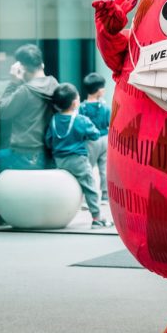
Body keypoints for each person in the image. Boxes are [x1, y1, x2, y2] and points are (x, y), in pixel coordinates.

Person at [46, 83, 111, 228]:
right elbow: (94, 135)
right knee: (89, 186)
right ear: (75, 103)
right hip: (78, 160)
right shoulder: (80, 120)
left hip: (59, 161)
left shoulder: (54, 120)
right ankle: (97, 218)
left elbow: (48, 140)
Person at [0, 44, 58, 170]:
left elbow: (2, 112)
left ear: (21, 68)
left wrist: (13, 82)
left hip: (23, 154)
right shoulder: (55, 85)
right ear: (42, 65)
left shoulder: (25, 91)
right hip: (47, 154)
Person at [80, 72, 111, 203]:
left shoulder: (81, 107)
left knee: (88, 168)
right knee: (104, 168)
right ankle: (105, 195)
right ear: (99, 91)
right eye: (103, 87)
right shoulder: (105, 107)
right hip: (104, 139)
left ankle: (88, 195)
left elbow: (80, 125)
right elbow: (109, 123)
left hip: (90, 141)